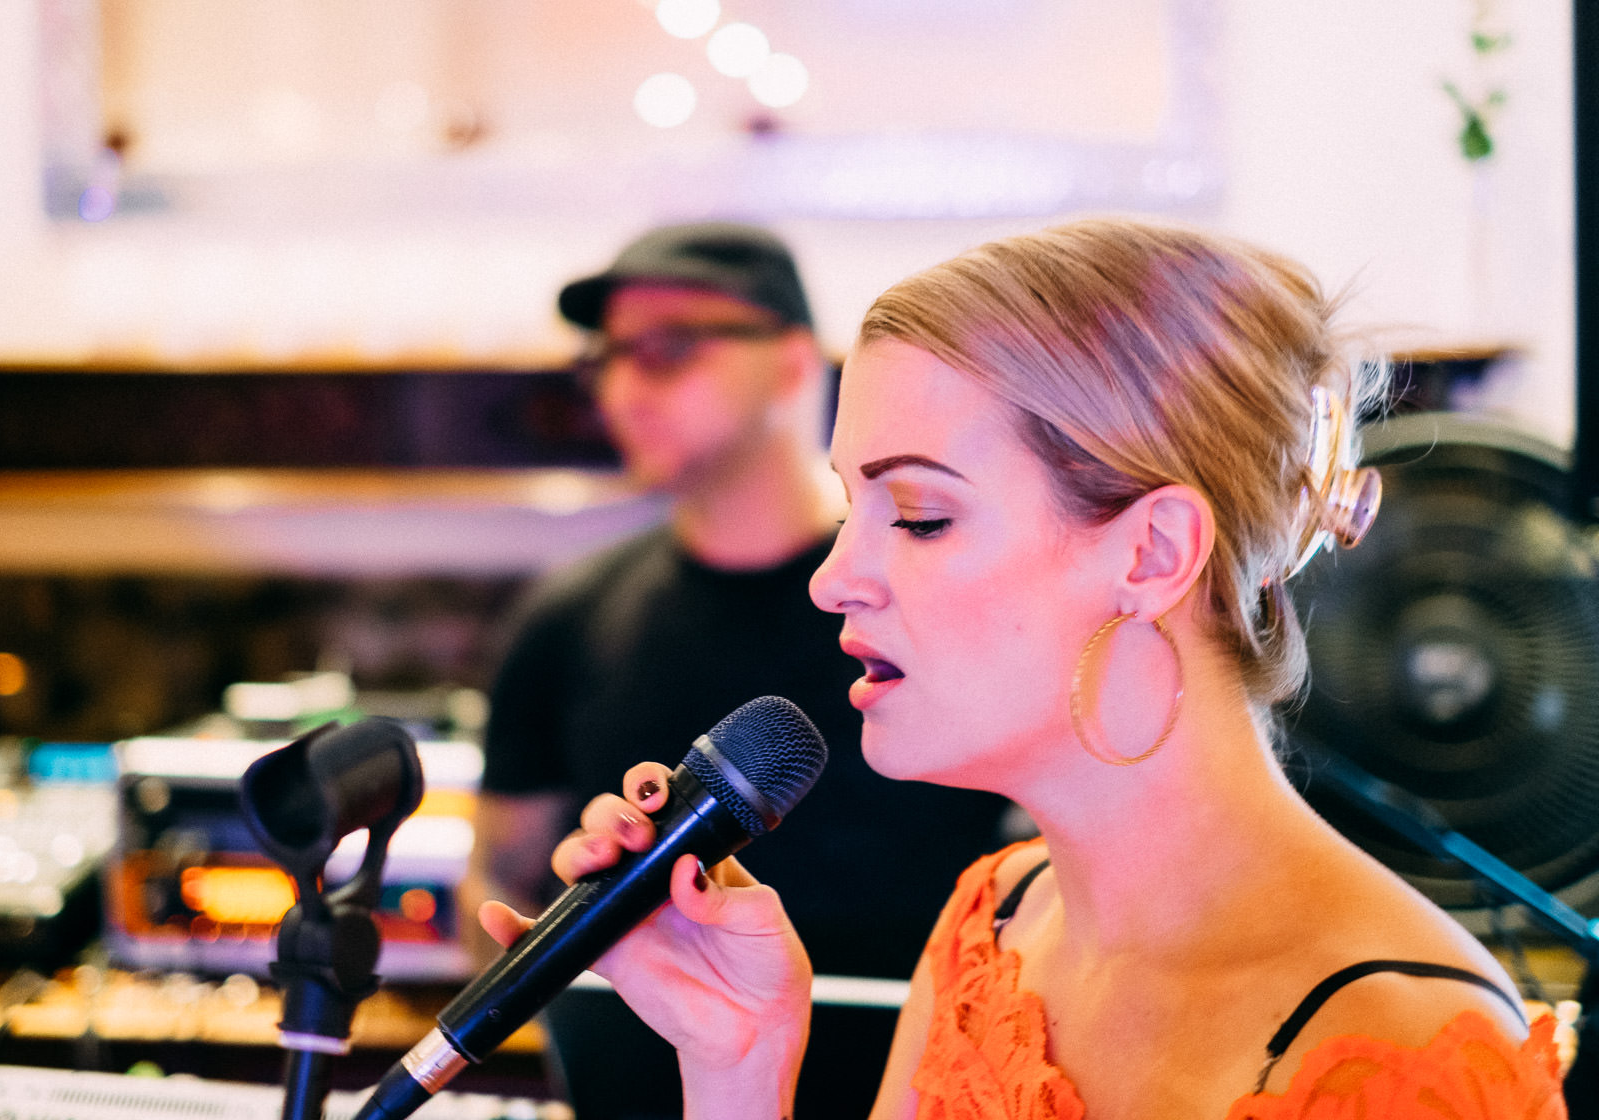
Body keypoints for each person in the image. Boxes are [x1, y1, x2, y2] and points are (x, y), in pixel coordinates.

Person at [479, 217, 1569, 1119]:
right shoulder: (997, 923)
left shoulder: (1401, 1045)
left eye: (919, 514)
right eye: (853, 505)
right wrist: (739, 1062)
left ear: (1151, 553)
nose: (834, 579)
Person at [465, 222, 1013, 1119]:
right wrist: (551, 984)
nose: (621, 386)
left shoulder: (922, 601)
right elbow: (498, 874)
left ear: (795, 363)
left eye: (667, 351)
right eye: (604, 357)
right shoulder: (566, 618)